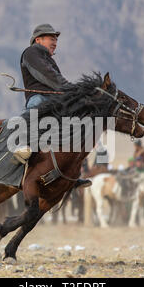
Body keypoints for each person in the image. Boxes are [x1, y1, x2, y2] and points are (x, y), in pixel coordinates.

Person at [17, 24, 90, 189]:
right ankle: (22, 145)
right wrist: (71, 90)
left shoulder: (47, 58)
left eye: (56, 39)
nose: (55, 42)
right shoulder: (31, 53)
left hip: (54, 100)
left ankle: (70, 174)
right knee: (37, 107)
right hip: (39, 98)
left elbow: (56, 78)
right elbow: (48, 76)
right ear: (38, 39)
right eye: (52, 38)